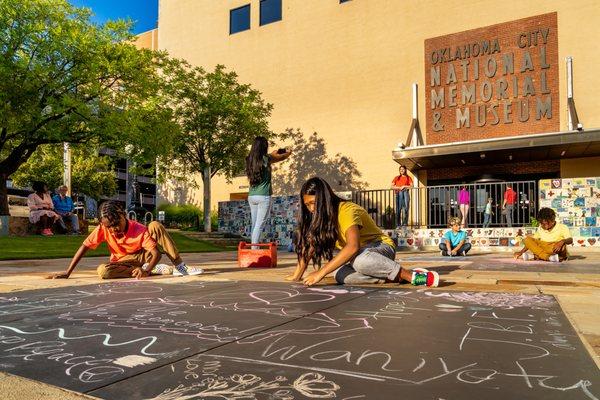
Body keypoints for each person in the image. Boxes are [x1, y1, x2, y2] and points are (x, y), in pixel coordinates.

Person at [285, 177, 439, 287]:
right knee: (339, 274)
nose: (311, 209)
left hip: (380, 247)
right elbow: (310, 246)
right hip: (358, 256)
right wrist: (297, 275)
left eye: (313, 203)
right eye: (307, 205)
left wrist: (320, 273)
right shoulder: (320, 217)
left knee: (359, 261)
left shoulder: (346, 210)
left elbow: (353, 247)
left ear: (324, 199)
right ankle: (393, 277)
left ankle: (411, 275)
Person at [47, 201, 204, 279]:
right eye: (109, 227)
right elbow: (84, 247)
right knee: (103, 271)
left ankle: (180, 266)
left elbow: (156, 253)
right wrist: (67, 273)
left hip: (144, 255)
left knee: (155, 224)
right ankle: (149, 271)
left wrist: (146, 267)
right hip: (123, 261)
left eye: (116, 225)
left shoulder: (138, 229)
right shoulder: (103, 228)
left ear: (123, 215)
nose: (114, 230)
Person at [245, 136, 292, 246]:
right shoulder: (266, 159)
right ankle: (254, 250)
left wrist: (274, 153)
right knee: (259, 225)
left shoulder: (249, 159)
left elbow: (273, 154)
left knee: (254, 224)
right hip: (263, 196)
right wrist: (288, 153)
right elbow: (280, 157)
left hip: (252, 196)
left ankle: (253, 248)